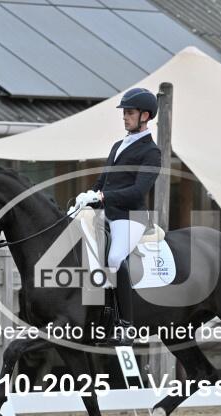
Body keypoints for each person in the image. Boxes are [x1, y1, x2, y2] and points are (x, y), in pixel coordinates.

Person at [69, 88, 161, 346]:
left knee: (115, 257)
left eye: (129, 113)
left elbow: (138, 191)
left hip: (130, 217)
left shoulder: (151, 152)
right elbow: (103, 180)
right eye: (124, 113)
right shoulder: (118, 146)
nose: (125, 117)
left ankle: (127, 326)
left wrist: (103, 197)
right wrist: (88, 196)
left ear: (145, 116)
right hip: (105, 213)